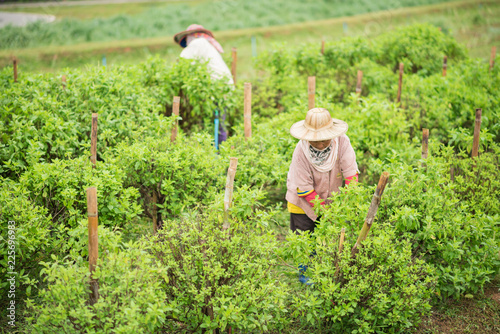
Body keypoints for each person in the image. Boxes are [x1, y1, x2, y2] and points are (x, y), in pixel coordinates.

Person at [286, 108, 359, 234]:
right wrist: (326, 213)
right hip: (302, 205)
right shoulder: (301, 152)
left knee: (328, 247)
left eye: (324, 140)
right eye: (315, 141)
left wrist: (345, 206)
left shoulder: (342, 142)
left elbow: (350, 174)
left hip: (330, 203)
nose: (320, 145)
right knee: (306, 247)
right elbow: (305, 188)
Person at [174, 24, 233, 145]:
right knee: (218, 122)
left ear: (191, 36)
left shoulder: (198, 43)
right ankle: (220, 151)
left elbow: (182, 61)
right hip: (224, 88)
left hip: (216, 89)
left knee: (213, 123)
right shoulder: (206, 45)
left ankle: (217, 153)